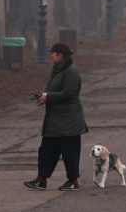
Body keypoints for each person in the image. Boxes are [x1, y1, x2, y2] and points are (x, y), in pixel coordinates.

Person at [25, 41, 89, 192]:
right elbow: (51, 89)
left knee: (70, 152)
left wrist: (49, 96)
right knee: (46, 149)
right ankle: (41, 180)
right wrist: (43, 95)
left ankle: (73, 181)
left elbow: (69, 93)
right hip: (55, 120)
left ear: (60, 55)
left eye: (53, 53)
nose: (51, 56)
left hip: (69, 121)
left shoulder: (71, 71)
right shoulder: (56, 70)